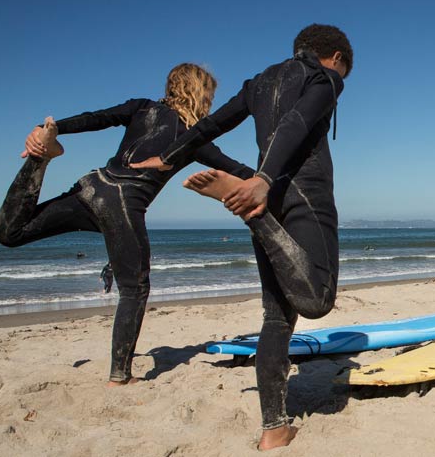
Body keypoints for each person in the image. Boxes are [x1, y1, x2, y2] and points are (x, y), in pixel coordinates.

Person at [130, 24, 351, 451]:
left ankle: (274, 429)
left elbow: (209, 125)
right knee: (318, 299)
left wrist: (168, 157)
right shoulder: (326, 77)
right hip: (297, 193)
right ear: (336, 57)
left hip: (262, 192)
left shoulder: (259, 82)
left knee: (276, 318)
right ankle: (254, 216)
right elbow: (298, 120)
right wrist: (264, 182)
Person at [0, 63, 254, 387]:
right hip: (121, 204)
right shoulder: (193, 137)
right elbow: (240, 170)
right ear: (200, 94)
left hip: (91, 188)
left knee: (9, 233)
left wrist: (54, 128)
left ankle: (40, 158)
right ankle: (119, 377)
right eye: (209, 96)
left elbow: (97, 117)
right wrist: (271, 180)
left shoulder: (142, 107)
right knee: (135, 288)